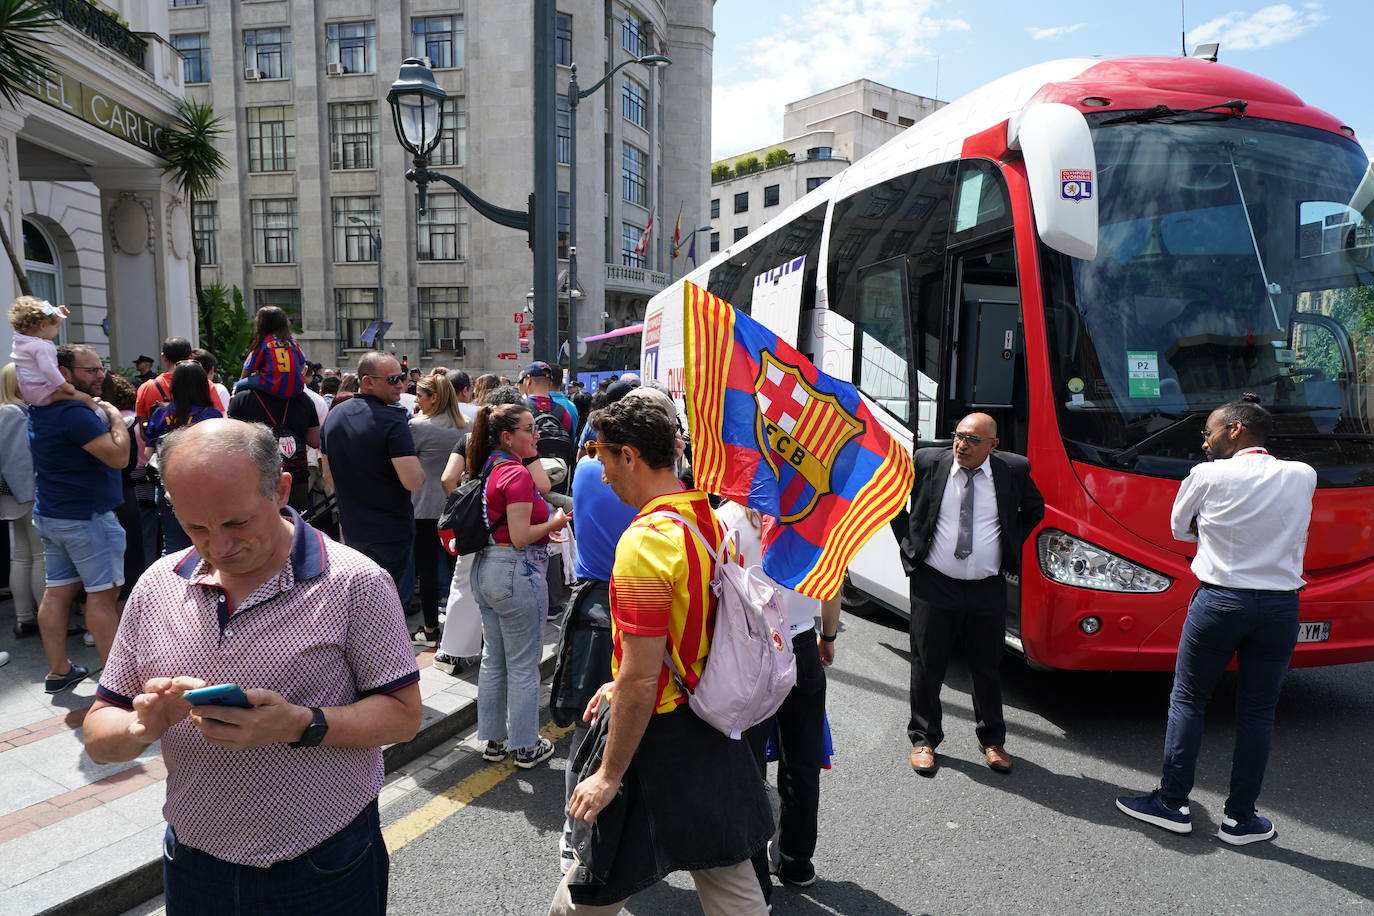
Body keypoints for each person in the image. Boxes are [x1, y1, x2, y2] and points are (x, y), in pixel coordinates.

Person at [83, 419, 421, 916]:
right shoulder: (157, 584)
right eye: (195, 526)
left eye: (236, 523)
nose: (218, 547)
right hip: (194, 862)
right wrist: (141, 725)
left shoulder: (356, 583)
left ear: (281, 488)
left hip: (322, 861)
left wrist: (298, 723)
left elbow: (403, 715)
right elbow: (98, 731)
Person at [551, 396, 773, 915]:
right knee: (730, 878)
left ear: (630, 456)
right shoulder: (708, 519)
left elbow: (642, 677)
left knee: (590, 884)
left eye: (604, 459)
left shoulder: (645, 543)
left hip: (656, 732)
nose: (602, 475)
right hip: (709, 721)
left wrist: (607, 774)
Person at [1116, 394, 1316, 846]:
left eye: (1208, 431)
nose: (1204, 441)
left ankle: (1171, 804)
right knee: (1259, 713)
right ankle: (1240, 820)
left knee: (1189, 698)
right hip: (1281, 606)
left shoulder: (1206, 475)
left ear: (1235, 429)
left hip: (1221, 600)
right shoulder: (1304, 475)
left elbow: (1178, 529)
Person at [899, 412, 1044, 776]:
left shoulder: (1013, 470)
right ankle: (924, 740)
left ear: (993, 445)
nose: (962, 445)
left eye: (973, 440)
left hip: (986, 586)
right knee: (927, 664)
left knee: (987, 667)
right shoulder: (928, 461)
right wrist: (910, 548)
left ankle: (993, 741)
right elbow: (890, 501)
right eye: (959, 436)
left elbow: (1034, 510)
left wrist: (1008, 548)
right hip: (935, 583)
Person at [721, 500, 842, 895]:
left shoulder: (727, 517)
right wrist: (828, 635)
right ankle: (796, 861)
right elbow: (832, 583)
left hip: (751, 647)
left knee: (748, 762)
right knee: (803, 760)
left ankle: (755, 878)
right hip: (802, 641)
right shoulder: (818, 510)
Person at [468, 403, 568, 768]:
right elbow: (523, 535)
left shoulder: (490, 466)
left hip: (487, 569)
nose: (537, 434)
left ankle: (494, 742)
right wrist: (556, 521)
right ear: (508, 437)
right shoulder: (517, 474)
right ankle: (526, 746)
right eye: (529, 429)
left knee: (494, 660)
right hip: (517, 571)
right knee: (524, 664)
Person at [31, 345, 130, 693]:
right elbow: (118, 456)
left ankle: (59, 671)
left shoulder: (41, 408)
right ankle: (118, 685)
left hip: (53, 513)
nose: (100, 375)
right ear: (64, 373)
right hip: (87, 518)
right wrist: (115, 416)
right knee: (102, 597)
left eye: (100, 368)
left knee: (57, 593)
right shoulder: (75, 412)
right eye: (90, 370)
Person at [320, 353, 423, 602]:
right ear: (368, 382)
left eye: (403, 378)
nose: (401, 384)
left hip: (352, 527)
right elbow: (413, 480)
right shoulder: (392, 420)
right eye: (393, 379)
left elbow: (327, 473)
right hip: (389, 530)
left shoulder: (335, 414)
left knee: (357, 602)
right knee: (386, 606)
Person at [408, 374, 466, 648]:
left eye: (420, 394)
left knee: (428, 571)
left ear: (434, 397)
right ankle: (460, 629)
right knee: (459, 570)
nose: (417, 399)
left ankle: (431, 630)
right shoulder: (467, 427)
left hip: (424, 508)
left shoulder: (417, 427)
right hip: (457, 506)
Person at [146, 360, 225, 555]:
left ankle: (169, 584)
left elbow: (149, 453)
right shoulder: (211, 414)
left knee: (172, 546)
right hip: (203, 486)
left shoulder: (160, 412)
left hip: (168, 484)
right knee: (206, 541)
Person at [226, 370, 321, 513]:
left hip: (255, 478)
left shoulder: (243, 399)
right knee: (294, 527)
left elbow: (231, 442)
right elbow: (314, 440)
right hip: (295, 479)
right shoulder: (303, 399)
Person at [0, 363, 42, 639]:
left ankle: (27, 617)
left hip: (16, 494)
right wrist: (32, 494)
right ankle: (40, 617)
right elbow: (17, 461)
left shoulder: (11, 411)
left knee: (23, 555)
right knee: (37, 556)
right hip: (25, 492)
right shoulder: (14, 413)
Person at [8, 297, 97, 409]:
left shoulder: (21, 343)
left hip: (30, 391)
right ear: (43, 326)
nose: (57, 332)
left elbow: (45, 317)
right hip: (43, 391)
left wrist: (58, 312)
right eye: (56, 327)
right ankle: (104, 420)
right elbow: (48, 369)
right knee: (86, 398)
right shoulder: (41, 346)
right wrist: (65, 386)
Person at [136, 337, 225, 423]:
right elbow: (219, 419)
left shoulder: (147, 388)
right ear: (190, 357)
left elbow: (140, 425)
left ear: (164, 357)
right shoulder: (204, 384)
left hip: (162, 438)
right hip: (197, 437)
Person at [236, 306, 306, 399]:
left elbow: (248, 368)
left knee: (240, 385)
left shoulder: (264, 342)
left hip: (270, 385)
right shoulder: (292, 342)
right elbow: (302, 364)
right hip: (295, 388)